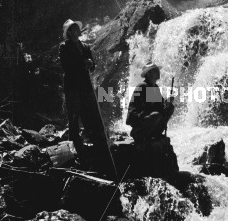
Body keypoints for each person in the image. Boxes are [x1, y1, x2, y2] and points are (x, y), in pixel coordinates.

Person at [59, 19, 117, 180]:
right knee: (74, 115)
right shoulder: (64, 47)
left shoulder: (84, 46)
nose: (78, 30)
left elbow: (93, 64)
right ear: (69, 32)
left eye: (78, 28)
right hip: (73, 86)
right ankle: (75, 144)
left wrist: (90, 64)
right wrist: (81, 64)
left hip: (85, 86)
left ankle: (93, 141)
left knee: (89, 113)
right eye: (75, 28)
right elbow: (66, 66)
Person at [126, 62, 174, 144]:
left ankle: (155, 132)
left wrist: (168, 102)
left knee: (170, 108)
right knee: (156, 115)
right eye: (154, 71)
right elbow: (150, 107)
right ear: (148, 74)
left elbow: (160, 106)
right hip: (138, 118)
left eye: (157, 70)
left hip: (147, 116)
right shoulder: (142, 86)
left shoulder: (154, 87)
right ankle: (138, 133)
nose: (157, 72)